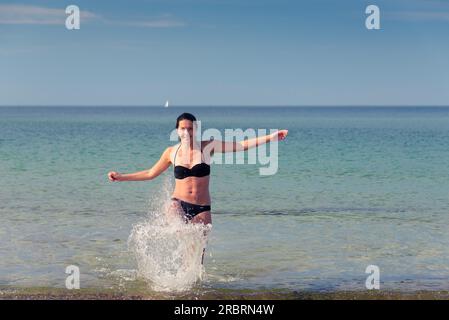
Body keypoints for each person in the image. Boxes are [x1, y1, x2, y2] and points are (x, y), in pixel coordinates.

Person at [107, 112, 288, 264]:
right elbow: (150, 173)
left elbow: (241, 145)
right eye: (183, 128)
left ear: (196, 129)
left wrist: (271, 137)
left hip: (202, 209)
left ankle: (189, 286)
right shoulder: (171, 152)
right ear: (177, 130)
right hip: (178, 203)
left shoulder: (208, 147)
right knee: (178, 226)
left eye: (190, 128)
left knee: (195, 258)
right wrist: (121, 177)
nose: (186, 132)